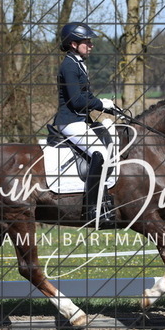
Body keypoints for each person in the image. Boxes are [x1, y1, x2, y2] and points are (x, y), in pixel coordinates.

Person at [51, 22, 118, 226]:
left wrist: (106, 106)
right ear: (73, 44)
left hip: (81, 119)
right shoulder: (69, 66)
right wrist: (100, 104)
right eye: (86, 42)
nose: (91, 45)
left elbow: (86, 96)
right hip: (70, 121)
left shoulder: (78, 62)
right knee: (101, 154)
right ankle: (93, 208)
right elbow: (77, 101)